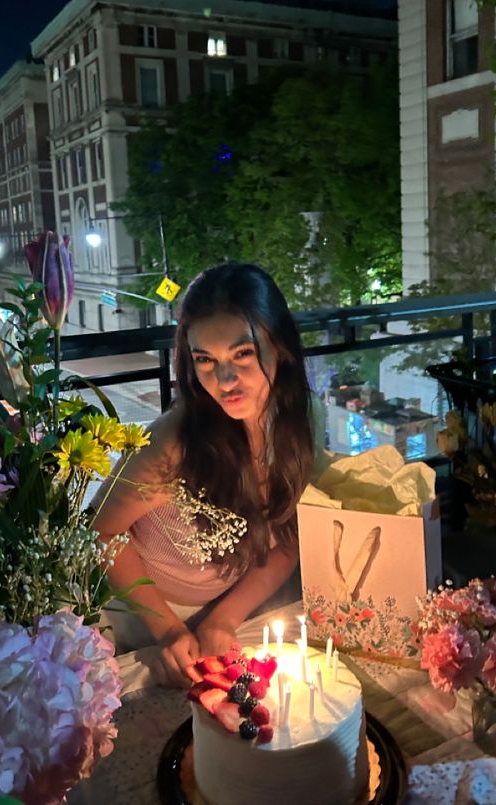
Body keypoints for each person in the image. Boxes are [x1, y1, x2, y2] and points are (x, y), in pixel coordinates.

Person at [93, 261, 319, 687]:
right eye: (205, 360)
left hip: (229, 608)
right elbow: (101, 532)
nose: (226, 379)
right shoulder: (174, 445)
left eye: (243, 353)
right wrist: (167, 629)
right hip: (145, 614)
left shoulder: (302, 423)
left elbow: (287, 537)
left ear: (280, 346)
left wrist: (225, 617)